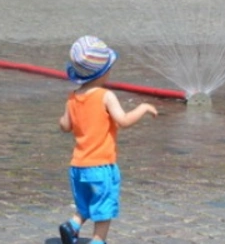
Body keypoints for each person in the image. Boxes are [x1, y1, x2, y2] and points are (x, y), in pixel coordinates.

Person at [57, 36, 157, 244]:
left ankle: (72, 225)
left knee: (85, 204)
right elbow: (123, 120)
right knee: (104, 207)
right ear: (104, 72)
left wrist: (62, 119)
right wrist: (143, 108)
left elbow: (65, 126)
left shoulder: (73, 97)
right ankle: (98, 240)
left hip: (78, 166)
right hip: (101, 167)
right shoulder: (105, 95)